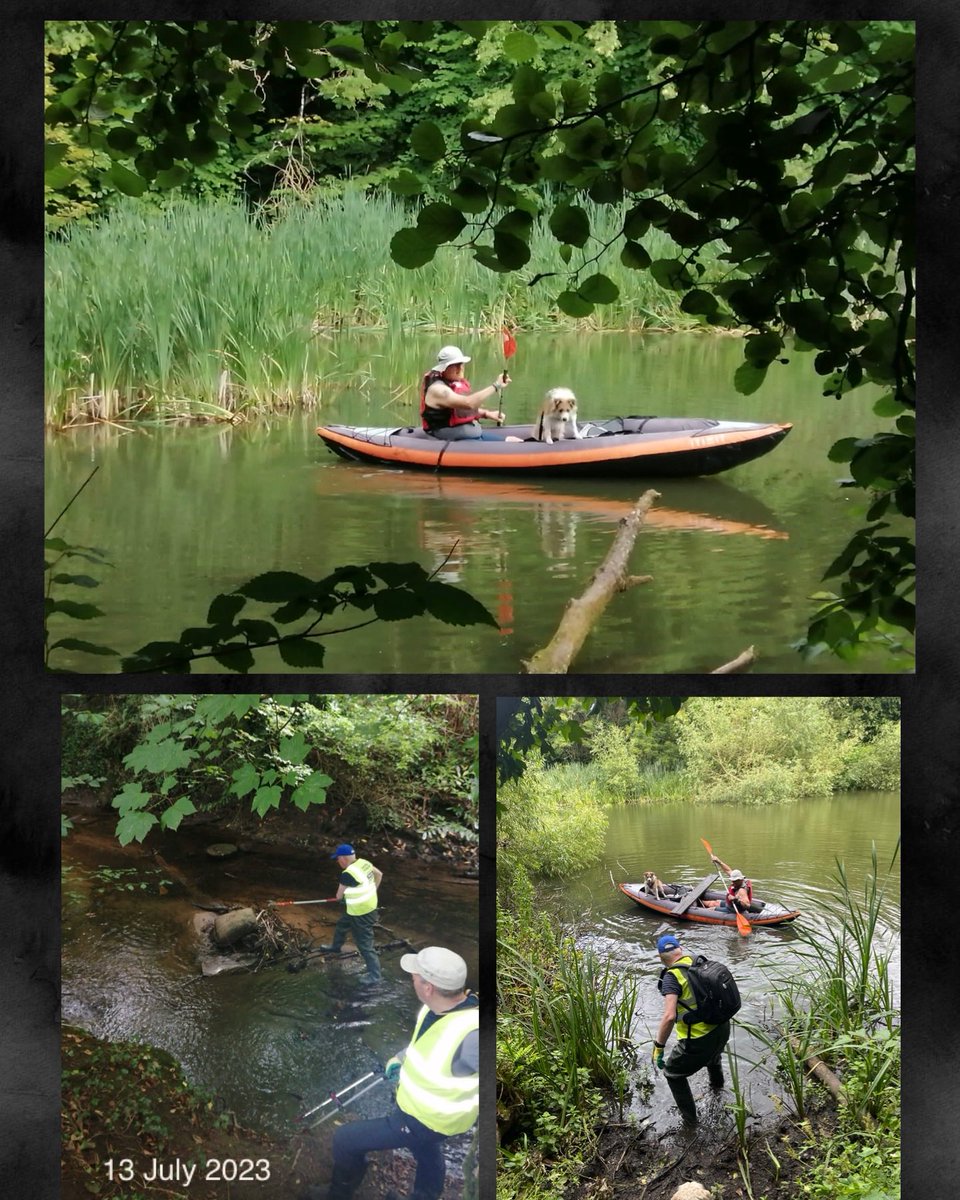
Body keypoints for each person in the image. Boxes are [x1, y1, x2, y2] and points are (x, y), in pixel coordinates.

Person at [316, 946, 479, 1200]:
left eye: (415, 976)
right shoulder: (441, 1008)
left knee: (345, 1140)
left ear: (428, 988)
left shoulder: (473, 1035)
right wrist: (400, 1059)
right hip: (433, 1120)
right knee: (427, 1150)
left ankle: (337, 1195)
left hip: (424, 1120)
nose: (411, 978)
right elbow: (430, 1043)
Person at [651, 934, 731, 1128]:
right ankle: (718, 1089)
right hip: (722, 1028)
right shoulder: (699, 962)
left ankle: (690, 1122)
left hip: (698, 1039)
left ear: (661, 957)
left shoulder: (671, 976)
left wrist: (659, 1047)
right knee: (714, 1057)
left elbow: (669, 1016)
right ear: (680, 949)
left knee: (672, 1073)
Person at [319, 843, 383, 983]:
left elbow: (339, 896)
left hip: (362, 913)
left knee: (364, 944)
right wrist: (373, 890)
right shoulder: (364, 863)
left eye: (337, 859)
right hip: (361, 907)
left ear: (343, 858)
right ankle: (336, 947)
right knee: (342, 924)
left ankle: (375, 976)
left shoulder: (348, 873)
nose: (337, 862)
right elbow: (379, 874)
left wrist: (340, 898)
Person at [420, 345, 512, 440]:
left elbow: (459, 411)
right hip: (448, 438)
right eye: (455, 365)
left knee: (510, 441)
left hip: (468, 435)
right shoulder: (438, 390)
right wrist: (496, 386)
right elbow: (469, 403)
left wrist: (486, 414)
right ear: (444, 368)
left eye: (461, 364)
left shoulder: (451, 382)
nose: (460, 368)